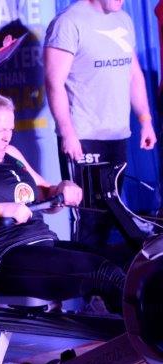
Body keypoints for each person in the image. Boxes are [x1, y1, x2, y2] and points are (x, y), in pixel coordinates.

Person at [0, 87, 126, 314]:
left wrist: (62, 188)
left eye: (10, 129)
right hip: (6, 259)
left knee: (126, 262)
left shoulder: (12, 154)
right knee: (104, 274)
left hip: (44, 246)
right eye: (0, 130)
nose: (7, 137)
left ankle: (119, 326)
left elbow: (46, 194)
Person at [44, 0, 157, 250]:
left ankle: (105, 274)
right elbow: (54, 82)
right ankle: (86, 275)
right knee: (89, 220)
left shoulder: (123, 19)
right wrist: (68, 132)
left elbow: (133, 74)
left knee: (111, 215)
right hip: (84, 137)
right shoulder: (68, 22)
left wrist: (145, 120)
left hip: (117, 136)